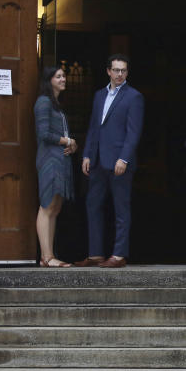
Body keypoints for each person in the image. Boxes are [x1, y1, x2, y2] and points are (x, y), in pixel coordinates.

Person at [75, 54, 144, 268]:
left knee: (121, 209)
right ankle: (95, 254)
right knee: (92, 205)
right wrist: (86, 154)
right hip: (97, 161)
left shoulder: (134, 97)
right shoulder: (98, 96)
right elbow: (94, 128)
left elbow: (134, 133)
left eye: (123, 70)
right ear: (108, 71)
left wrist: (124, 158)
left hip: (119, 163)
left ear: (127, 72)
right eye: (116, 70)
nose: (119, 74)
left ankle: (119, 254)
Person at [34, 65, 76, 267]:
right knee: (47, 206)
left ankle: (48, 256)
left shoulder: (56, 104)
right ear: (49, 80)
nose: (63, 79)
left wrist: (72, 143)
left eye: (64, 76)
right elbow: (44, 134)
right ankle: (47, 256)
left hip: (60, 161)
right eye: (58, 76)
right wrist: (67, 141)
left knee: (56, 207)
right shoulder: (43, 102)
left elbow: (62, 136)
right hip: (49, 161)